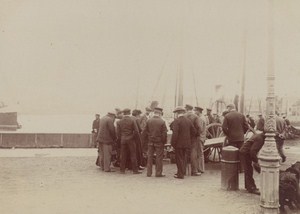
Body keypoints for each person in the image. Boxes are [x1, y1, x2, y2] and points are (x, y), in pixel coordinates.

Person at [171, 106, 196, 179]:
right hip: (187, 143)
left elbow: (175, 134)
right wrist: (189, 139)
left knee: (179, 158)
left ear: (177, 113)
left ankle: (180, 174)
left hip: (179, 144)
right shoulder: (188, 120)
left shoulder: (177, 121)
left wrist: (173, 143)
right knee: (184, 158)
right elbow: (194, 132)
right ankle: (182, 172)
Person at [142, 107, 168, 177]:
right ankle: (158, 173)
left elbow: (145, 132)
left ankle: (149, 173)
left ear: (154, 113)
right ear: (159, 113)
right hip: (159, 142)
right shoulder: (162, 122)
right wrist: (163, 142)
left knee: (149, 157)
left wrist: (148, 138)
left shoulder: (149, 120)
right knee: (159, 158)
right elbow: (164, 133)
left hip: (150, 141)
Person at [117, 108, 141, 174]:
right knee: (133, 154)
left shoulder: (119, 121)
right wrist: (132, 137)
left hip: (123, 139)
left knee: (123, 155)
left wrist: (121, 138)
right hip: (131, 139)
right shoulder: (132, 120)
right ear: (129, 113)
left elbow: (118, 133)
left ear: (123, 113)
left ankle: (122, 170)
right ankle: (135, 170)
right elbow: (136, 131)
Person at [184, 104, 201, 176]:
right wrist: (197, 135)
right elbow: (198, 128)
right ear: (191, 109)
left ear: (186, 109)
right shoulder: (195, 117)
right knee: (193, 153)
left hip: (184, 137)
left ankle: (183, 171)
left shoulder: (183, 116)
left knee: (184, 153)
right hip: (193, 138)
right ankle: (194, 171)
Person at [194, 106, 206, 173]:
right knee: (200, 153)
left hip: (199, 137)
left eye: (195, 111)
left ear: (198, 111)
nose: (195, 112)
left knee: (200, 153)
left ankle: (200, 168)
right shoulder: (203, 117)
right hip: (202, 137)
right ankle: (200, 168)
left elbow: (200, 129)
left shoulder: (200, 119)